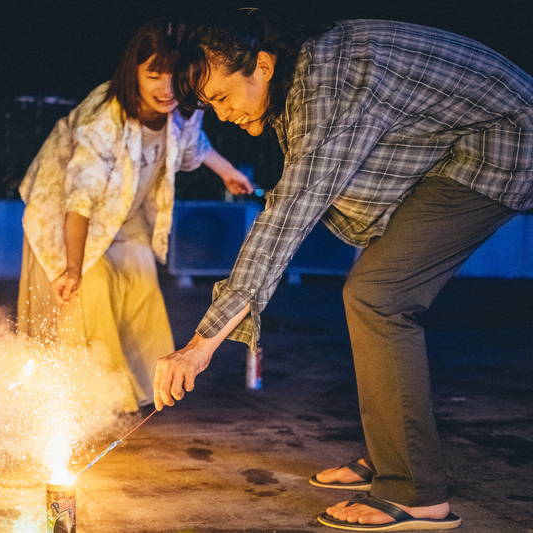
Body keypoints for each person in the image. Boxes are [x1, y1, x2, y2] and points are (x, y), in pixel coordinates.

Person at [154, 8, 532, 531]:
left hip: (503, 143)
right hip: (450, 147)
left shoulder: (326, 85)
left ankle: (416, 491)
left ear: (262, 65)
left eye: (221, 97)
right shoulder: (301, 82)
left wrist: (203, 340)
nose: (222, 115)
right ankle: (391, 455)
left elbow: (290, 213)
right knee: (373, 290)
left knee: (378, 296)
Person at [18, 18, 253, 413]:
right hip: (69, 217)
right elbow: (80, 201)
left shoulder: (184, 109)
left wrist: (228, 173)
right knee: (91, 287)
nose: (166, 88)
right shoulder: (104, 119)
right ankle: (90, 405)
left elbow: (195, 148)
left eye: (176, 76)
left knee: (140, 276)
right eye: (154, 74)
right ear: (135, 72)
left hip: (124, 215)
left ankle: (141, 394)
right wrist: (72, 268)